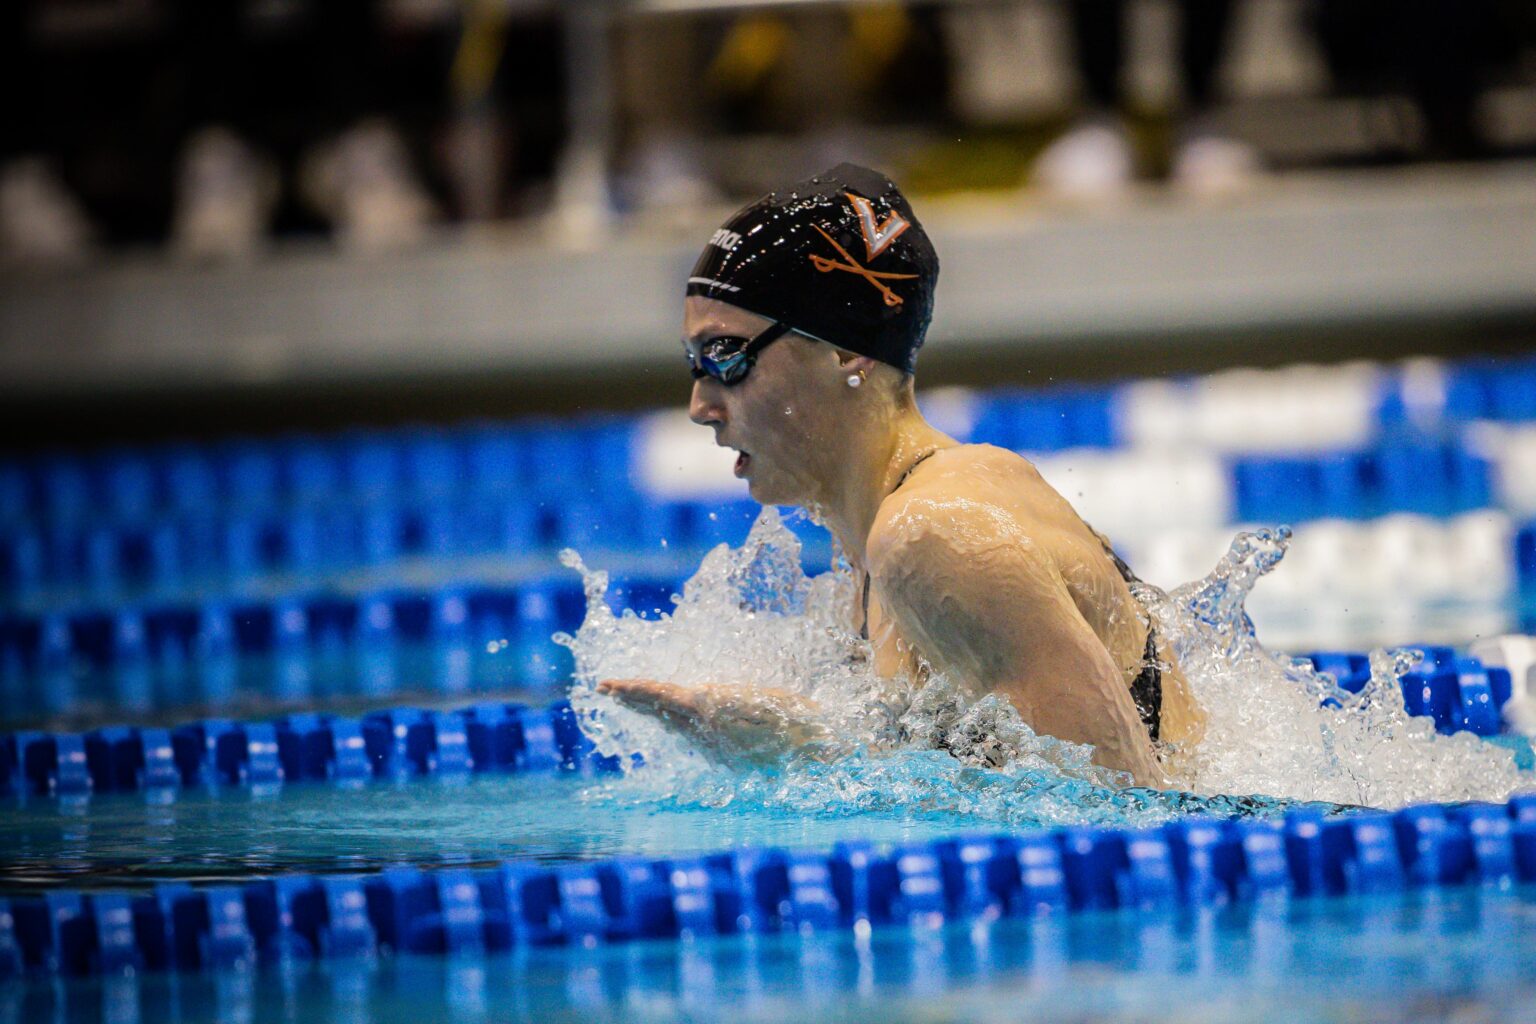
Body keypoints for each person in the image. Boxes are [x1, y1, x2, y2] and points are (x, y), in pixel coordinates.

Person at [598, 164, 1201, 787]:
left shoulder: (933, 534)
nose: (701, 406)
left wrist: (805, 756)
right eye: (693, 363)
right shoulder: (877, 552)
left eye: (725, 357)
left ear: (844, 351)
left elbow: (1122, 817)